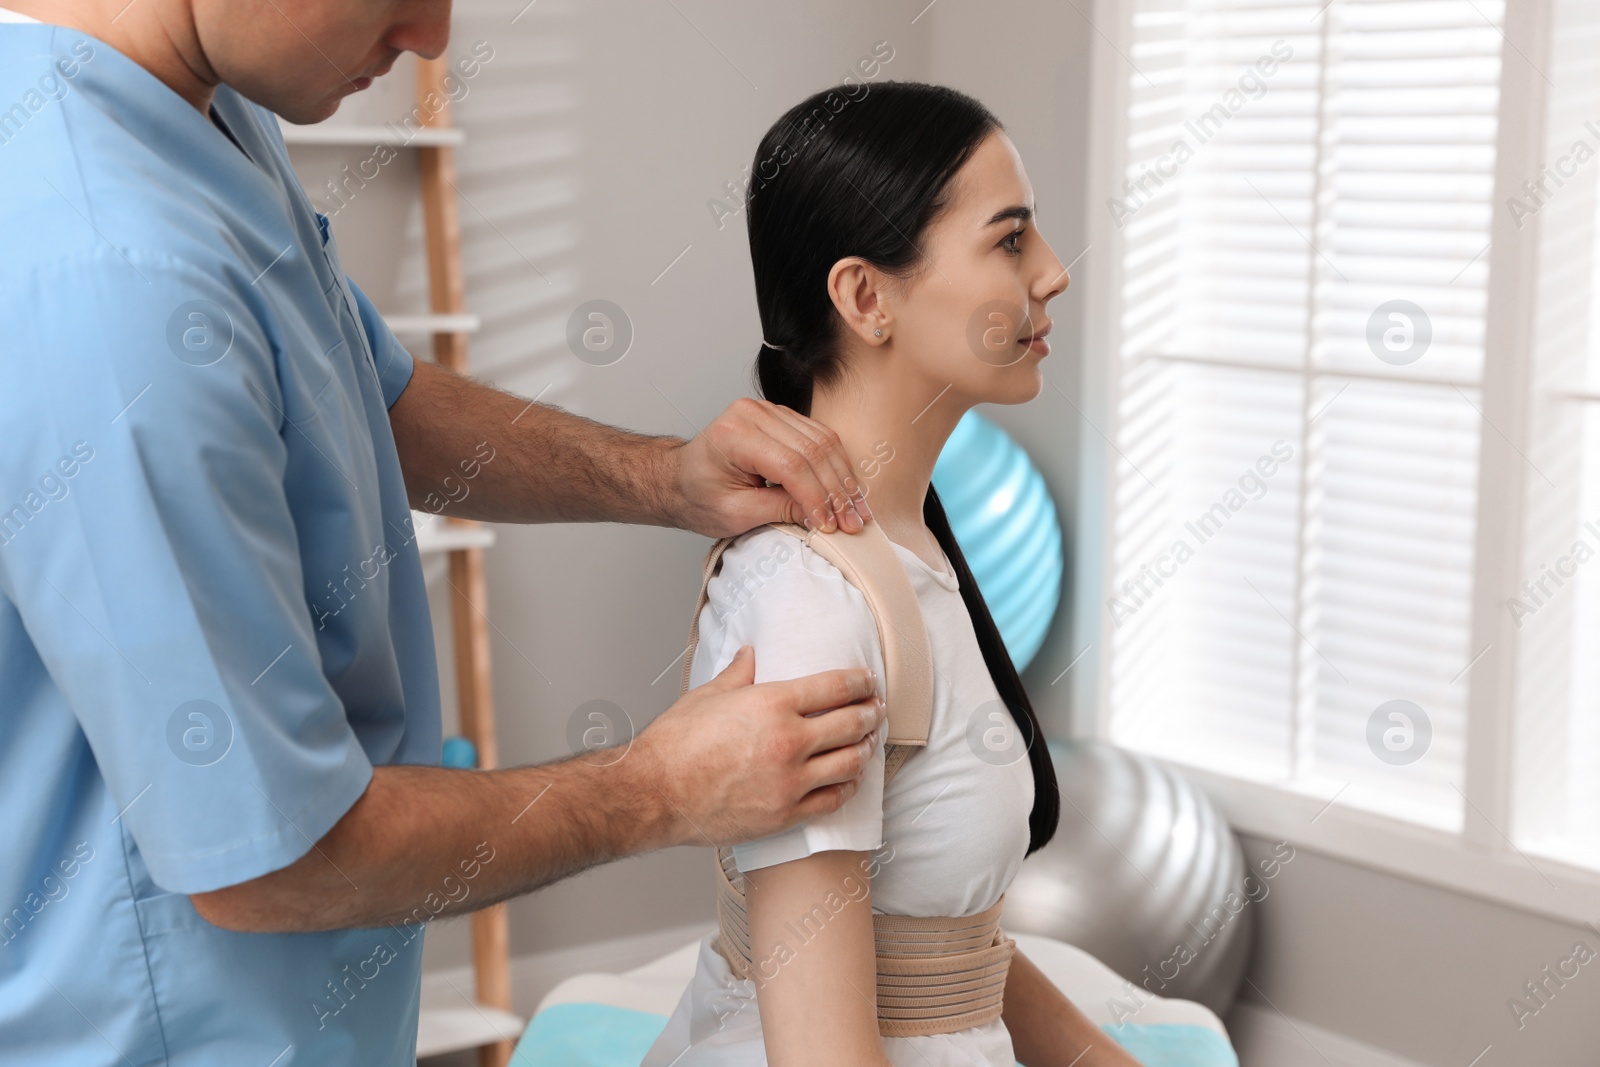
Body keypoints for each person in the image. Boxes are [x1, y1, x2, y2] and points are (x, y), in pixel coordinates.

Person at [0, 3, 894, 1064]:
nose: (429, 37)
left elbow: (360, 391)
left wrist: (664, 476)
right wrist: (659, 788)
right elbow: (269, 860)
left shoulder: (211, 104)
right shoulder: (114, 276)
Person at [641, 83, 1144, 1067]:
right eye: (1009, 240)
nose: (1051, 274)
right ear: (865, 297)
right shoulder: (806, 598)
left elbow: (940, 949)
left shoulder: (908, 546)